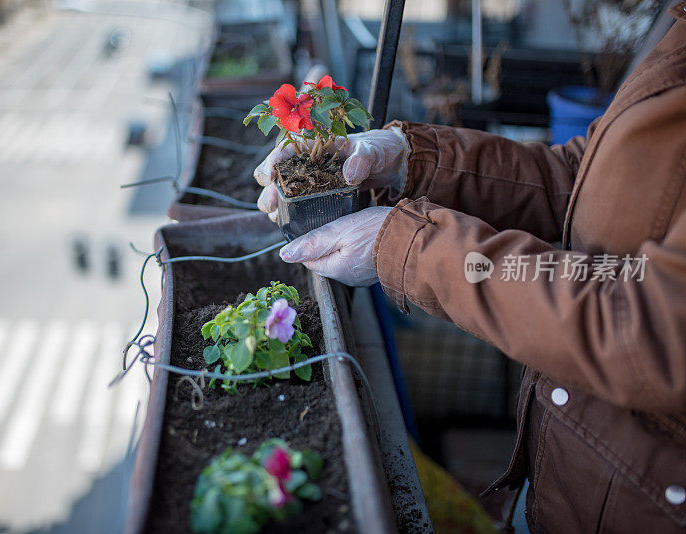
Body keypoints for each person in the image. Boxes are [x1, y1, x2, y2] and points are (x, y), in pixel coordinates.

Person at [253, 3, 686, 532]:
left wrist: (409, 249)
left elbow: (654, 321)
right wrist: (407, 157)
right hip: (575, 472)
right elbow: (581, 182)